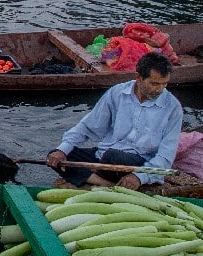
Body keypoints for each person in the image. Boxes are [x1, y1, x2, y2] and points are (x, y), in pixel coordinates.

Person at [46, 52, 181, 189]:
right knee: (56, 155)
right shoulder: (117, 93)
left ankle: (92, 177)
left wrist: (140, 177)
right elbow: (87, 127)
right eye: (154, 84)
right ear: (138, 77)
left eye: (164, 84)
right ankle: (105, 183)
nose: (160, 90)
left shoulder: (172, 107)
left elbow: (166, 155)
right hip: (105, 156)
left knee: (114, 156)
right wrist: (61, 150)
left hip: (138, 162)